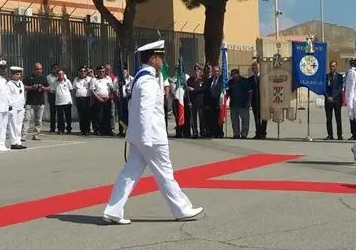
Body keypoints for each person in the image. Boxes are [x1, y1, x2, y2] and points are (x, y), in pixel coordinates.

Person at [102, 40, 204, 224]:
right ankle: (181, 209)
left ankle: (114, 209)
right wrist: (146, 138)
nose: (163, 60)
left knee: (130, 173)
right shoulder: (147, 81)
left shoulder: (141, 78)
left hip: (141, 136)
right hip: (152, 137)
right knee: (165, 173)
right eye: (160, 57)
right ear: (152, 58)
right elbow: (145, 110)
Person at [226, 68, 252, 139]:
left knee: (245, 120)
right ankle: (236, 134)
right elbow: (227, 92)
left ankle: (244, 134)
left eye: (234, 75)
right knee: (234, 120)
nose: (233, 76)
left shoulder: (245, 81)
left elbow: (250, 92)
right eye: (232, 75)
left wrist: (249, 102)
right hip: (233, 104)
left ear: (237, 74)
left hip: (243, 103)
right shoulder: (230, 82)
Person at [7, 66, 27, 150]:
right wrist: (10, 106)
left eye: (19, 74)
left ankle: (18, 141)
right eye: (17, 74)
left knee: (19, 125)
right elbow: (8, 96)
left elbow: (22, 95)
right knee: (13, 126)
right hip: (14, 107)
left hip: (20, 107)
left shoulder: (20, 83)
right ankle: (13, 142)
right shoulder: (9, 84)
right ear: (12, 75)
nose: (19, 76)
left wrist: (23, 104)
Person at [324, 60, 344, 140]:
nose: (332, 67)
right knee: (329, 118)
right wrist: (327, 96)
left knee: (338, 118)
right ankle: (330, 135)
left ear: (336, 67)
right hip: (328, 100)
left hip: (336, 100)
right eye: (331, 66)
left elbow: (340, 88)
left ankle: (339, 135)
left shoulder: (339, 76)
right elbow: (324, 88)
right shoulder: (326, 76)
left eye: (333, 66)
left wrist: (333, 97)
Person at [249, 62, 268, 140]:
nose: (255, 70)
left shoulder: (264, 77)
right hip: (255, 101)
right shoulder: (250, 79)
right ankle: (258, 133)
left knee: (264, 117)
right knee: (256, 117)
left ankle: (263, 133)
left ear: (259, 68)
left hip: (263, 101)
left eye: (256, 68)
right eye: (253, 68)